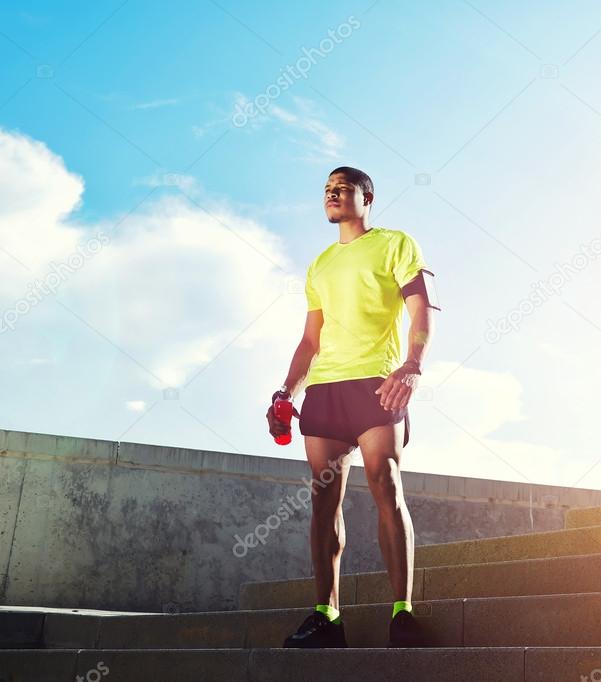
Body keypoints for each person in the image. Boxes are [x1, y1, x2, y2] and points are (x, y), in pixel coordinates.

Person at [266, 166, 441, 648]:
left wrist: (412, 364)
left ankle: (402, 612)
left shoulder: (395, 244)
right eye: (326, 189)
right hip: (325, 388)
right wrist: (286, 392)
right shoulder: (319, 264)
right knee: (324, 500)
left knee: (385, 480)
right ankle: (327, 616)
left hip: (375, 383)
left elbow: (421, 307)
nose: (333, 194)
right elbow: (309, 340)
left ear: (367, 198)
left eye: (343, 188)